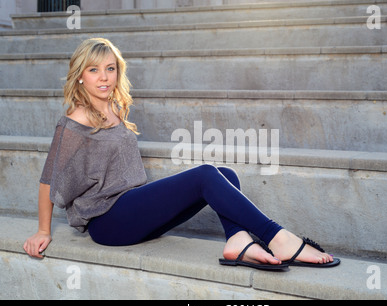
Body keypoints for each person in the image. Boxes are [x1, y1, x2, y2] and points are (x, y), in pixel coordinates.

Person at [23, 38, 339, 270]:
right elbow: (48, 180)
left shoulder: (115, 110)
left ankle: (237, 241)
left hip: (128, 210)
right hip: (108, 222)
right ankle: (277, 237)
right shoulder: (74, 121)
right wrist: (42, 230)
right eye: (94, 70)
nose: (104, 77)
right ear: (80, 75)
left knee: (225, 175)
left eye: (110, 69)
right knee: (204, 175)